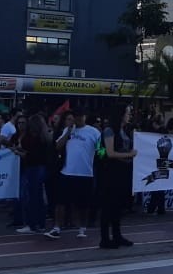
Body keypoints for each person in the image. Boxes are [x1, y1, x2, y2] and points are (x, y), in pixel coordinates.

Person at [44, 107, 101, 240]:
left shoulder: (94, 132)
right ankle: (57, 227)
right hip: (67, 172)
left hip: (86, 173)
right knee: (60, 201)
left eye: (81, 116)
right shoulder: (68, 130)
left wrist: (100, 157)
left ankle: (82, 227)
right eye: (76, 116)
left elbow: (101, 150)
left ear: (85, 117)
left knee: (83, 204)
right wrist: (68, 132)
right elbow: (58, 147)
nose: (79, 118)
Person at [97, 106, 138, 249]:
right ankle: (105, 238)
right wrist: (130, 155)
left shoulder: (123, 131)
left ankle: (117, 235)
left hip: (121, 173)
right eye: (127, 113)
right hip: (110, 174)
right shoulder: (109, 130)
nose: (129, 115)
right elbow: (110, 153)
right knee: (108, 206)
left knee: (117, 207)